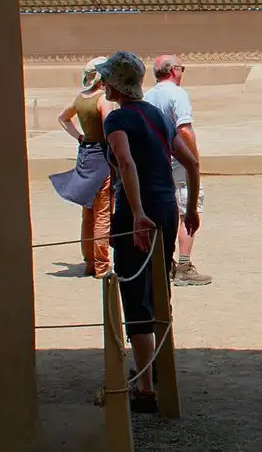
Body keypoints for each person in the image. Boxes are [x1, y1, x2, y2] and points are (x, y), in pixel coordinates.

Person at [96, 51, 200, 412]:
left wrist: (137, 212)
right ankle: (157, 369)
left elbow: (125, 161)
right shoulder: (156, 115)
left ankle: (144, 386)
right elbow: (190, 160)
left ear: (116, 83)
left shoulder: (117, 118)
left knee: (135, 293)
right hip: (166, 208)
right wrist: (190, 208)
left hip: (135, 214)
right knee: (159, 286)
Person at [143, 55, 212, 286]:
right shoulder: (177, 94)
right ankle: (183, 265)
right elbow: (184, 129)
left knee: (166, 210)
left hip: (155, 161)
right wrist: (193, 159)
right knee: (187, 211)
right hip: (177, 162)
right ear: (173, 70)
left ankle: (166, 262)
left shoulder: (148, 95)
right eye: (181, 68)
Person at [49, 57, 114, 278]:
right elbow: (109, 128)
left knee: (88, 213)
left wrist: (80, 137)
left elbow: (63, 118)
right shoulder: (102, 100)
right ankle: (102, 265)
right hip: (101, 160)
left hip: (85, 157)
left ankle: (89, 262)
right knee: (103, 214)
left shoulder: (80, 98)